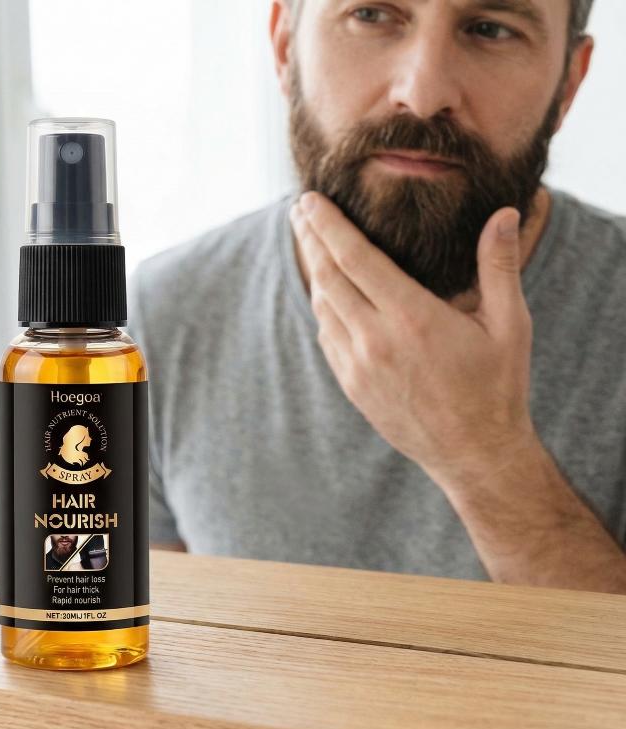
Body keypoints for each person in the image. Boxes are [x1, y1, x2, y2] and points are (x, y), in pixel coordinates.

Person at [129, 0, 626, 593]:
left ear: (568, 83)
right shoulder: (155, 323)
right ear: (285, 47)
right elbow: (147, 642)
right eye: (370, 15)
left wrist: (487, 457)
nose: (423, 93)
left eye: (491, 29)